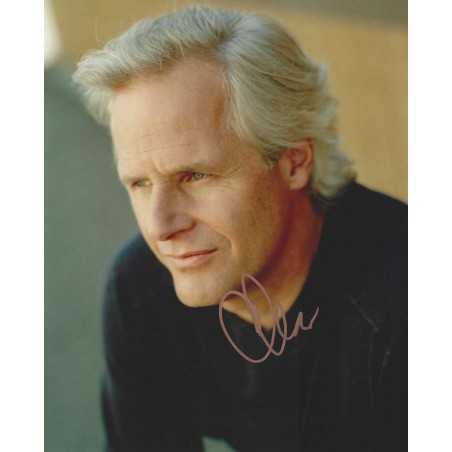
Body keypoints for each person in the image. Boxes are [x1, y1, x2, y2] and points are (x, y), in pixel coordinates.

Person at [74, 5, 407, 451]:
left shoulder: (405, 312)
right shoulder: (142, 287)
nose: (160, 226)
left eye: (195, 175)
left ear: (294, 161)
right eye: (140, 183)